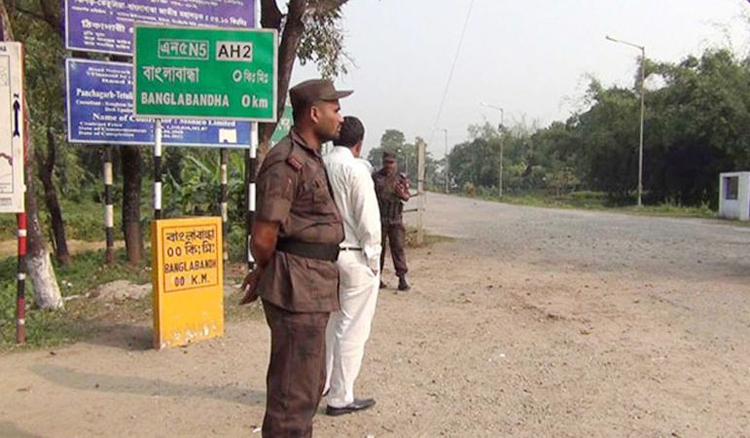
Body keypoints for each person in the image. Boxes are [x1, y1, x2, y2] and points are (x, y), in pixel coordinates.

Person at [239, 78, 351, 438]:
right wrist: (266, 270)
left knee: (309, 382)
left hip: (310, 286)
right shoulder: (286, 162)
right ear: (314, 113)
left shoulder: (309, 158)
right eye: (335, 109)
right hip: (296, 287)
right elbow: (263, 235)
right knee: (292, 393)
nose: (340, 118)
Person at [322, 116, 381, 416]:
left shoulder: (322, 165)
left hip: (327, 254)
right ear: (359, 143)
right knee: (352, 328)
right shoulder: (355, 170)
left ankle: (322, 382)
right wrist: (373, 260)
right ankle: (340, 396)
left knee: (332, 324)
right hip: (356, 255)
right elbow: (368, 221)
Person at [373, 151, 411, 291]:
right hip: (380, 218)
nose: (389, 165)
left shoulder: (400, 179)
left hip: (395, 218)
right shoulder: (376, 178)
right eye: (386, 162)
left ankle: (402, 278)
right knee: (378, 249)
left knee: (398, 247)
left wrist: (402, 194)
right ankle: (377, 278)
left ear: (395, 163)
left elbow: (407, 196)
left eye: (391, 162)